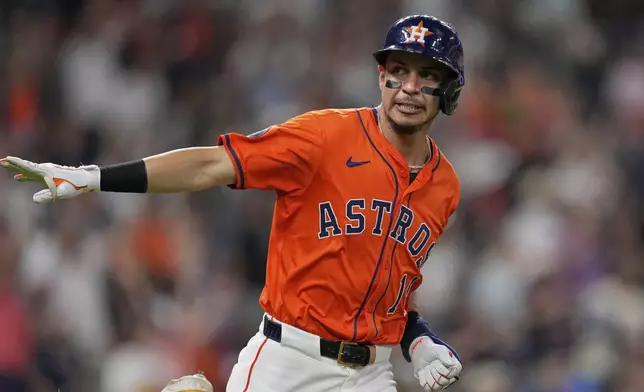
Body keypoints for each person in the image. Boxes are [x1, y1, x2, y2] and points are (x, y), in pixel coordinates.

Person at [2, 14, 465, 392]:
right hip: (288, 362)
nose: (408, 87)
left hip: (371, 375)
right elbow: (211, 165)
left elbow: (390, 289)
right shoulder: (324, 136)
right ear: (381, 76)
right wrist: (97, 178)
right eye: (398, 71)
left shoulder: (444, 186)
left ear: (448, 92)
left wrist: (418, 340)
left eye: (426, 76)